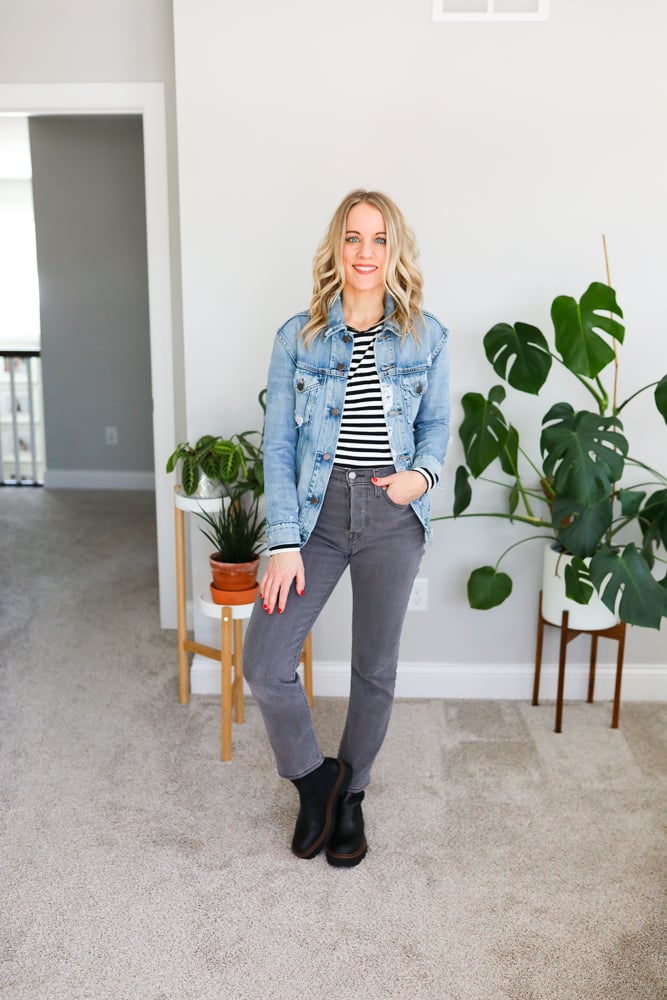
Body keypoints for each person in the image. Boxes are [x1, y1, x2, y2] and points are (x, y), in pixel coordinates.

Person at [244, 189, 450, 867]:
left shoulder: (426, 336)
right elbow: (277, 447)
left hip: (393, 516)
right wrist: (281, 540)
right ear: (336, 247)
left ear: (396, 250)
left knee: (374, 670)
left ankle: (352, 796)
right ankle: (315, 779)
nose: (365, 253)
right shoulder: (296, 337)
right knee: (267, 663)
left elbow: (435, 429)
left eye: (379, 239)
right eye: (353, 238)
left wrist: (420, 477)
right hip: (315, 514)